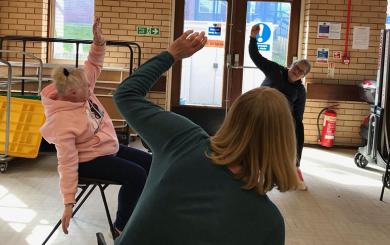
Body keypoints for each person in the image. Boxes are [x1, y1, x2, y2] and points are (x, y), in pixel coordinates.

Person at [113, 30, 298, 245]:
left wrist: (171, 54)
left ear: (232, 118)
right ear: (284, 142)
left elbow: (126, 95)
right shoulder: (268, 222)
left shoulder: (183, 140)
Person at [40, 17, 151, 236]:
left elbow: (92, 65)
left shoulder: (78, 86)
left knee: (151, 162)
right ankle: (121, 227)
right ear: (72, 94)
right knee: (137, 175)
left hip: (106, 148)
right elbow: (67, 163)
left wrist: (98, 43)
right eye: (86, 89)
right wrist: (68, 203)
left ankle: (143, 210)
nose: (91, 89)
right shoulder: (62, 123)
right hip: (87, 162)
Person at [249, 24, 311, 191]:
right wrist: (253, 38)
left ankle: (293, 168)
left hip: (278, 120)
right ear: (291, 64)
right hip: (259, 111)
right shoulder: (276, 70)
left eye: (301, 72)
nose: (296, 71)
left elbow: (298, 117)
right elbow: (256, 57)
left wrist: (294, 138)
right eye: (296, 67)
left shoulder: (300, 91)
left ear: (303, 76)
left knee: (296, 131)